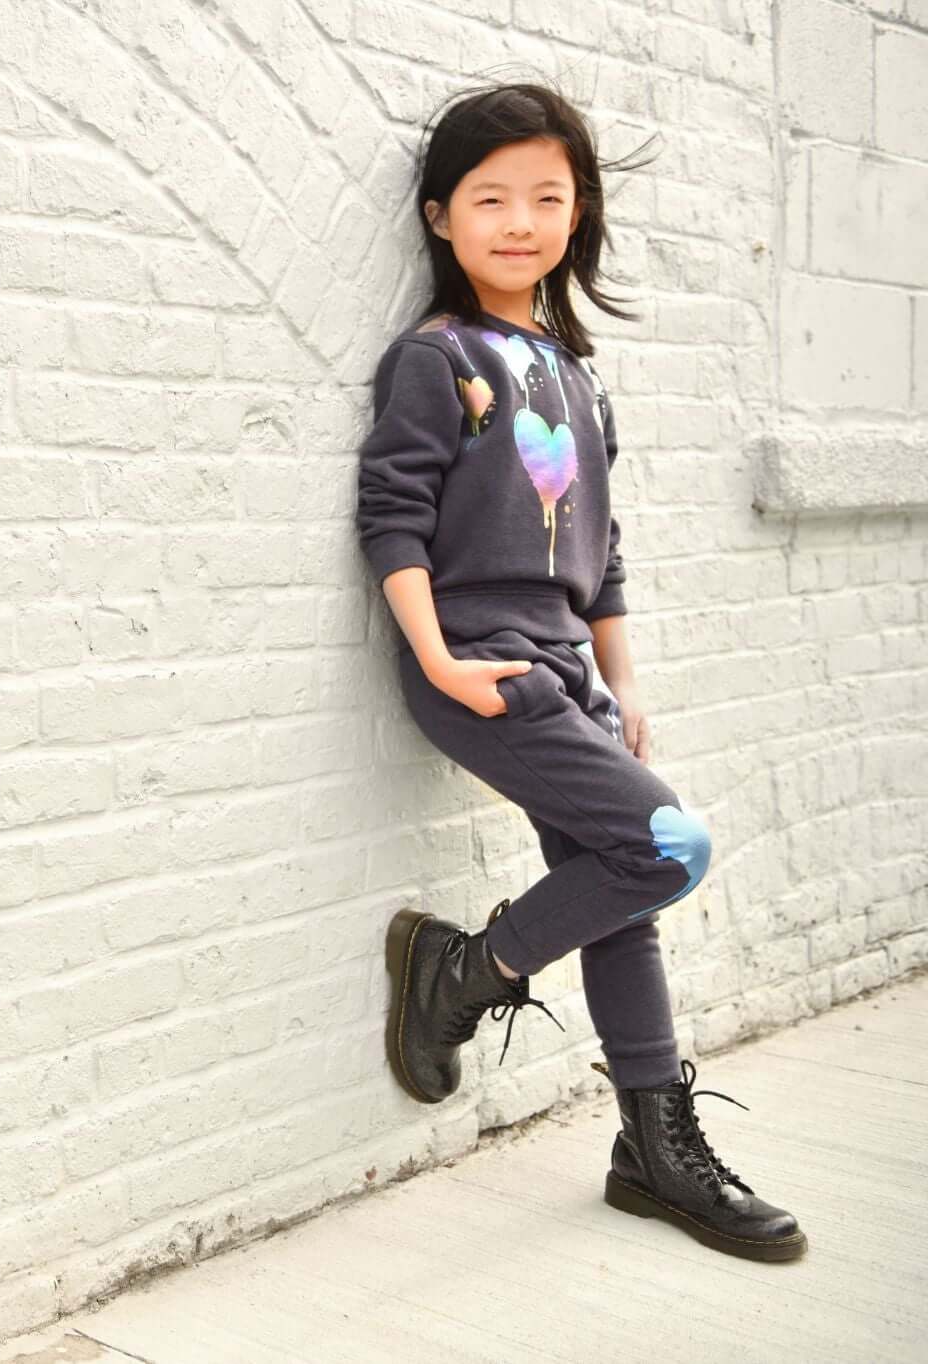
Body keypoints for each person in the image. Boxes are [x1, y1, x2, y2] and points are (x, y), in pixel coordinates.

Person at [354, 81, 806, 1263]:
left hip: (571, 675)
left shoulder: (574, 373)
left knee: (628, 893)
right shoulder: (435, 359)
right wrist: (438, 658)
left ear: (578, 213)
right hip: (484, 670)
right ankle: (461, 973)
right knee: (667, 849)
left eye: (545, 197)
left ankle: (649, 1150)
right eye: (488, 197)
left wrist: (623, 683)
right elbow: (390, 515)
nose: (518, 220)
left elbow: (599, 558)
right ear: (439, 215)